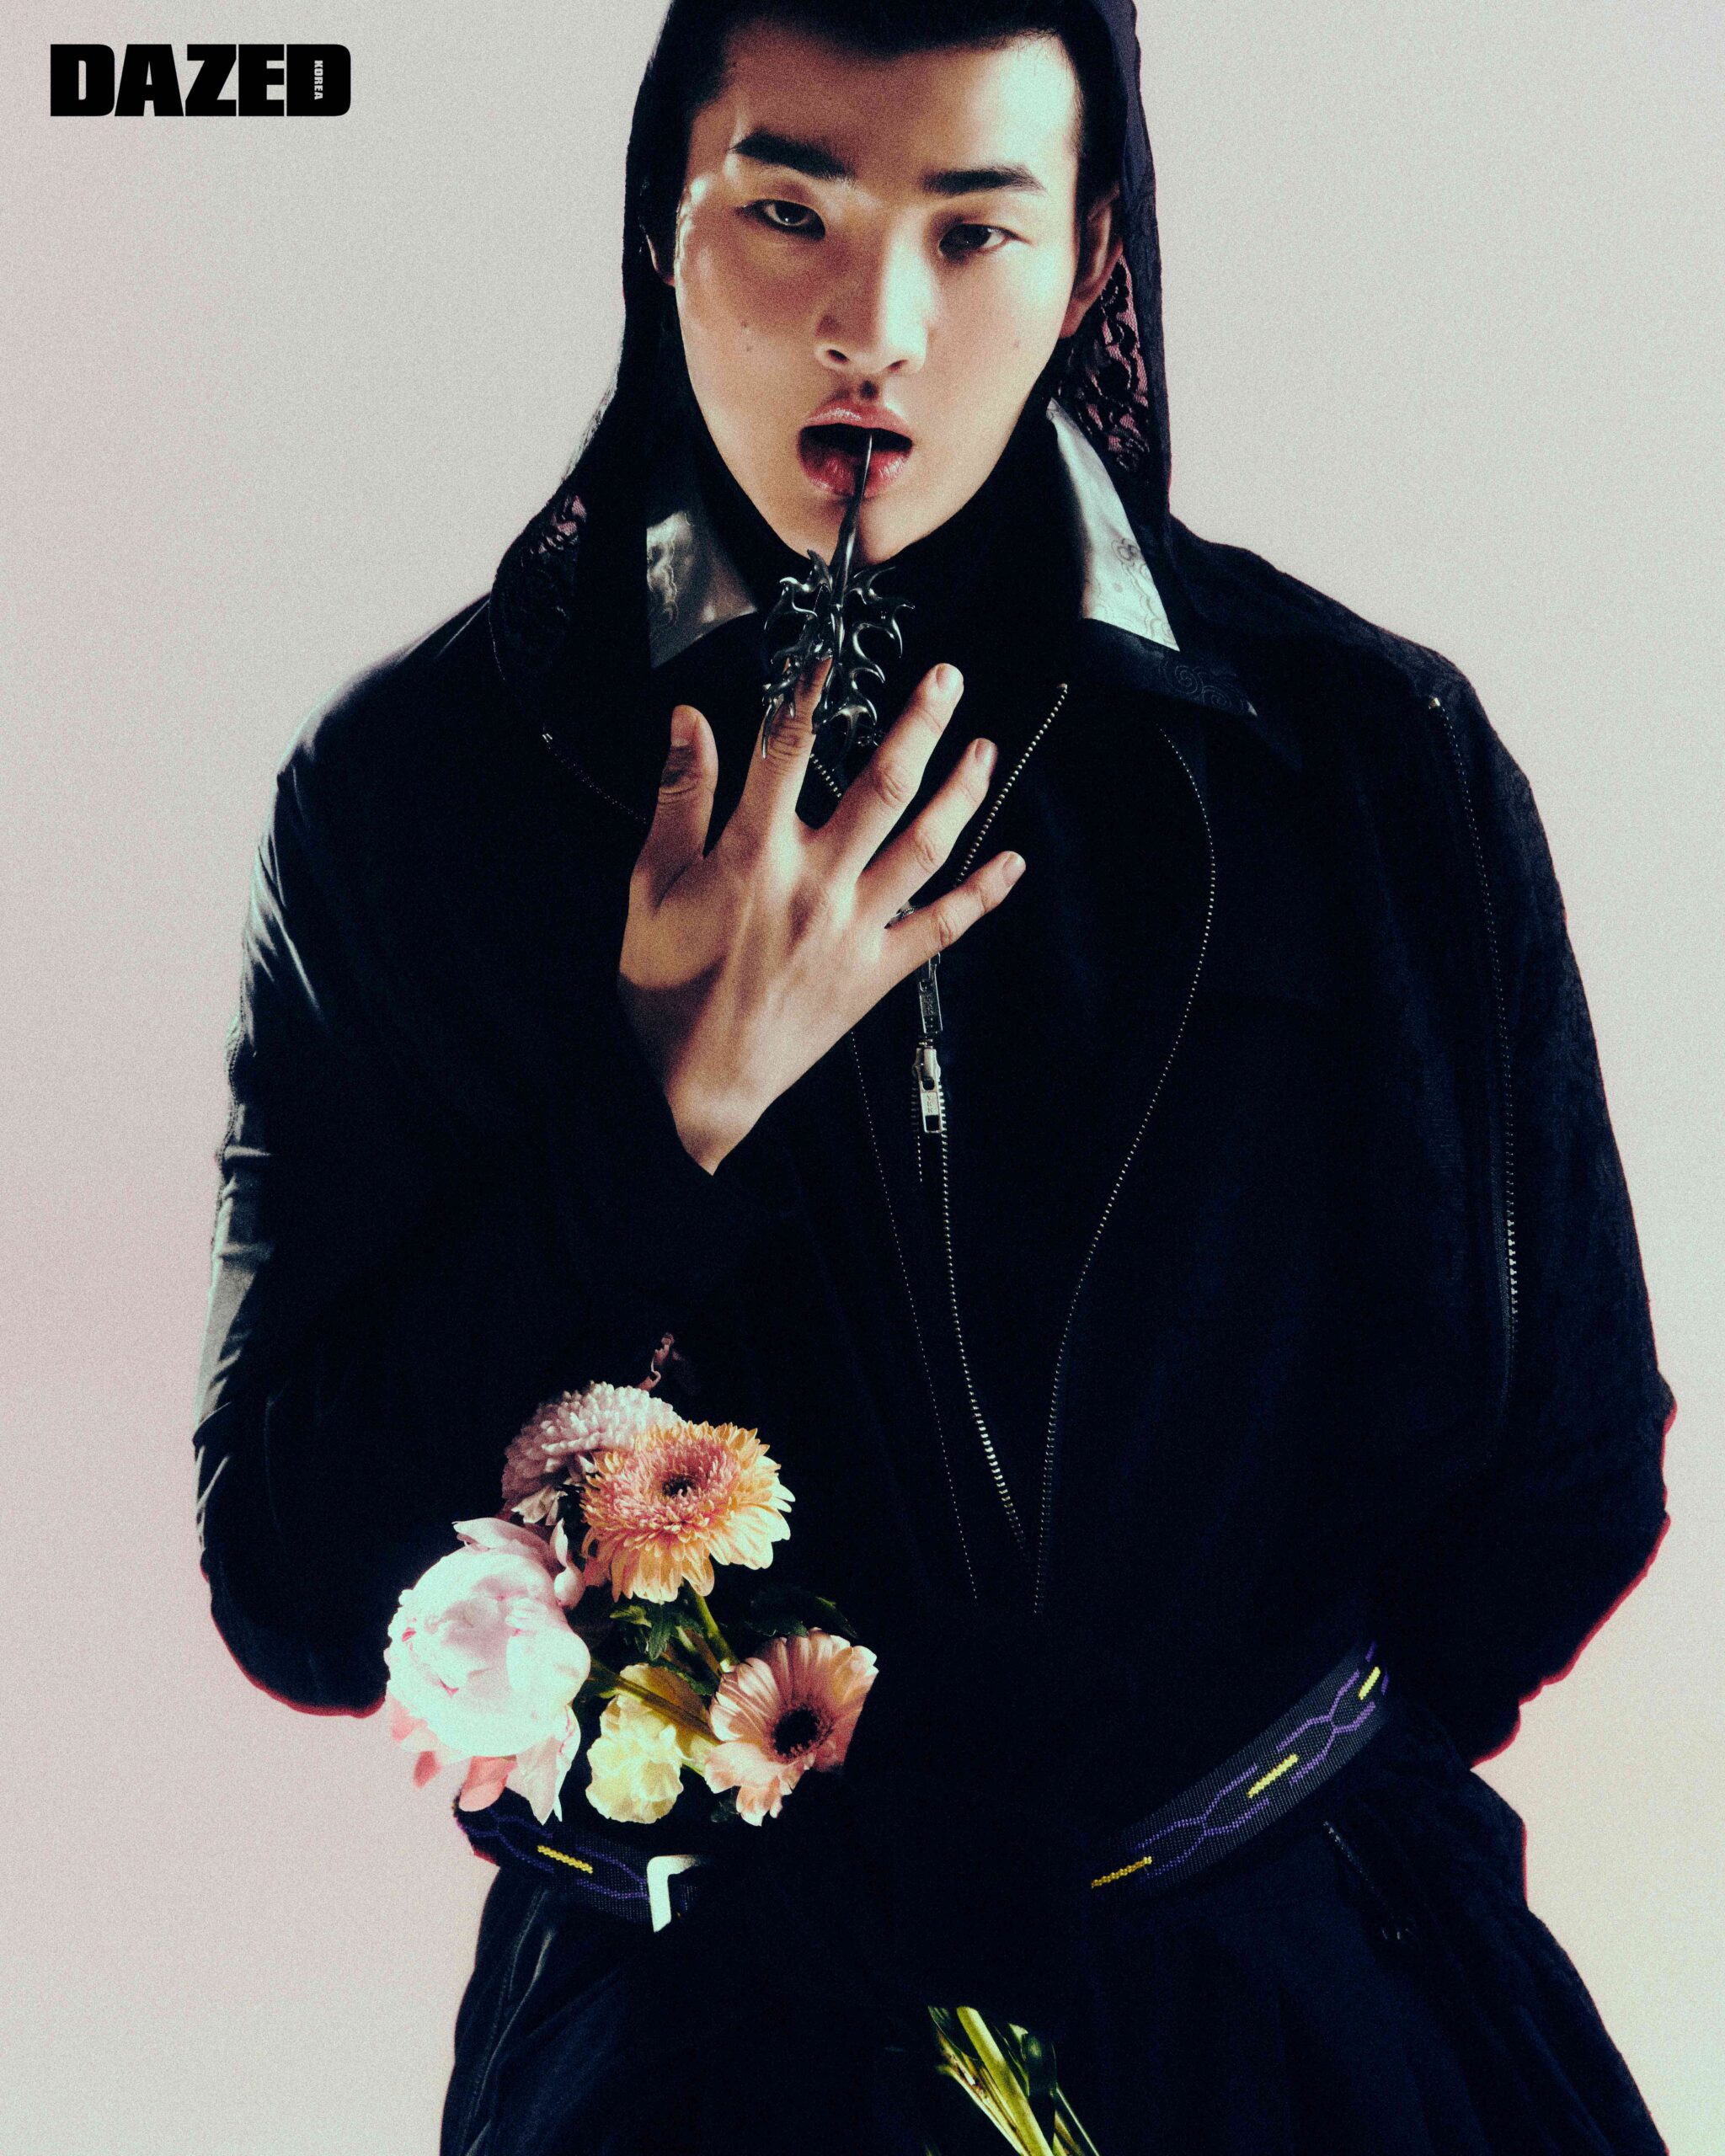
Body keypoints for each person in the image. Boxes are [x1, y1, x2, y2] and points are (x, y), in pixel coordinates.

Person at [191, 2, 1678, 2149]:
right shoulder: (422, 795)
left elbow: (1565, 1472)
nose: (870, 328)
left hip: (1298, 2011)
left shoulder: (1358, 758)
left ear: (1089, 266)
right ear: (662, 217)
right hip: (697, 2061)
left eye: (972, 232)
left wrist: (1221, 1833)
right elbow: (297, 1571)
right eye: (786, 211)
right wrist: (666, 1111)